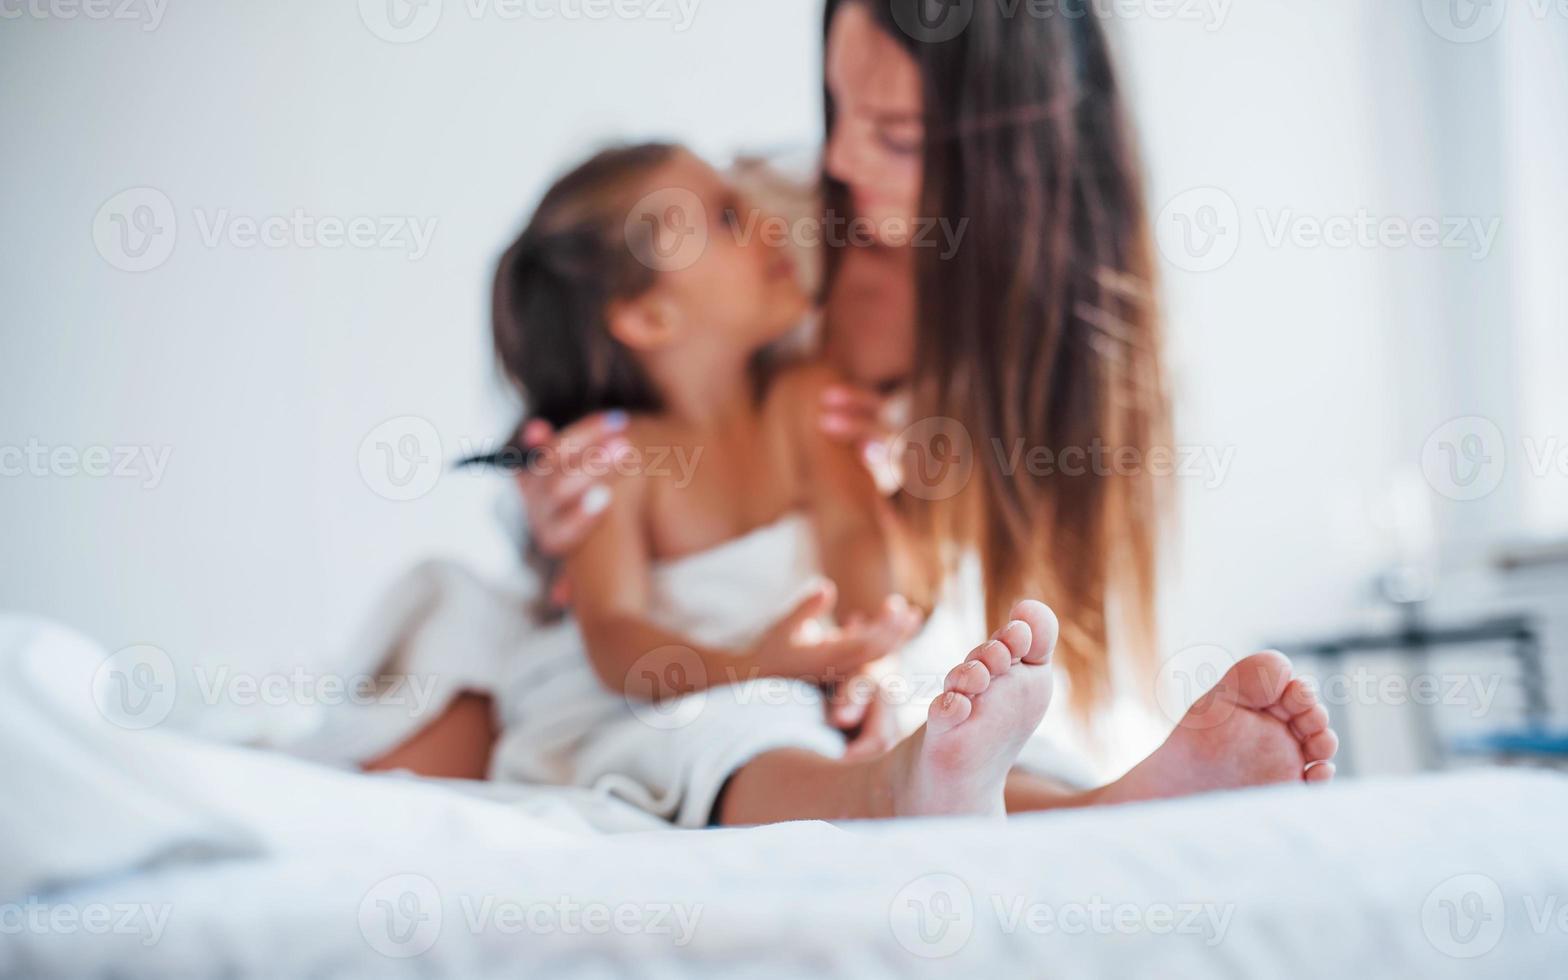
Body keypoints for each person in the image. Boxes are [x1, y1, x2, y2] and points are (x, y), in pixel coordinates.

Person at [369, 0, 1339, 815]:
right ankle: (916, 789)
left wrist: (865, 648)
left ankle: (1093, 808)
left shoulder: (820, 392)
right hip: (710, 685)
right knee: (720, 739)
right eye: (836, 103)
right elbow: (613, 629)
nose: (831, 161)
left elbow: (862, 557)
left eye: (899, 135)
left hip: (849, 656)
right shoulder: (755, 255)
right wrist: (561, 513)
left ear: (1011, 154)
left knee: (950, 708)